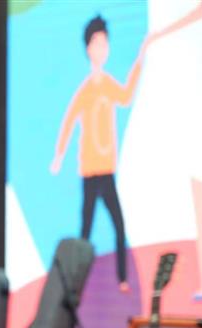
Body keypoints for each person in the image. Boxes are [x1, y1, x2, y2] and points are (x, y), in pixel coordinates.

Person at [51, 15, 154, 292]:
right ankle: (75, 286)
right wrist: (59, 155)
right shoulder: (85, 90)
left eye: (105, 43)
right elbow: (69, 121)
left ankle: (122, 278)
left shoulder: (108, 84)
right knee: (85, 231)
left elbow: (126, 96)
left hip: (106, 170)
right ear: (88, 48)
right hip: (89, 171)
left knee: (118, 225)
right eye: (97, 43)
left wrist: (140, 57)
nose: (102, 48)